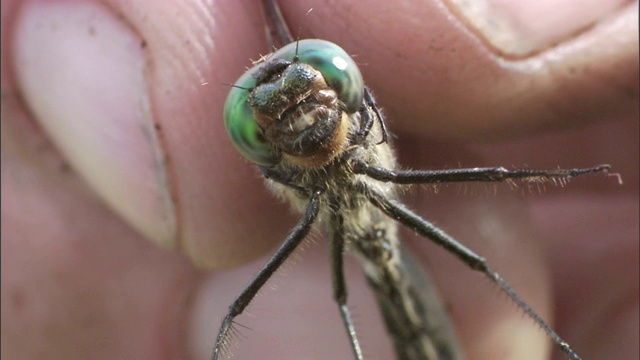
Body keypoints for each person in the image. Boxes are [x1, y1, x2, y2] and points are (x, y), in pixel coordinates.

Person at [2, 1, 637, 359]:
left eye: (322, 92)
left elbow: (490, 170)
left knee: (475, 262)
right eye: (266, 123)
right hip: (354, 236)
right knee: (331, 298)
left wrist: (571, 173)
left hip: (385, 234)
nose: (303, 119)